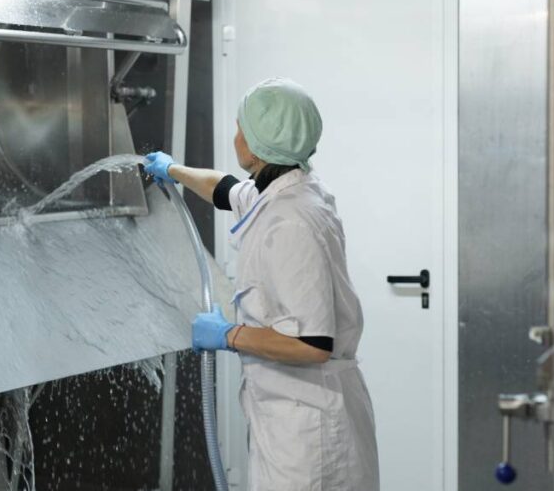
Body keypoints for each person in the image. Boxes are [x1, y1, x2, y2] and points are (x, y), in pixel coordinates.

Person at [144, 78, 379, 490]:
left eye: (240, 127)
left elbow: (312, 343)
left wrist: (230, 336)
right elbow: (227, 191)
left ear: (253, 145)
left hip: (310, 429)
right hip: (291, 415)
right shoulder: (286, 188)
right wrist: (172, 170)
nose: (235, 136)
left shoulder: (292, 222)